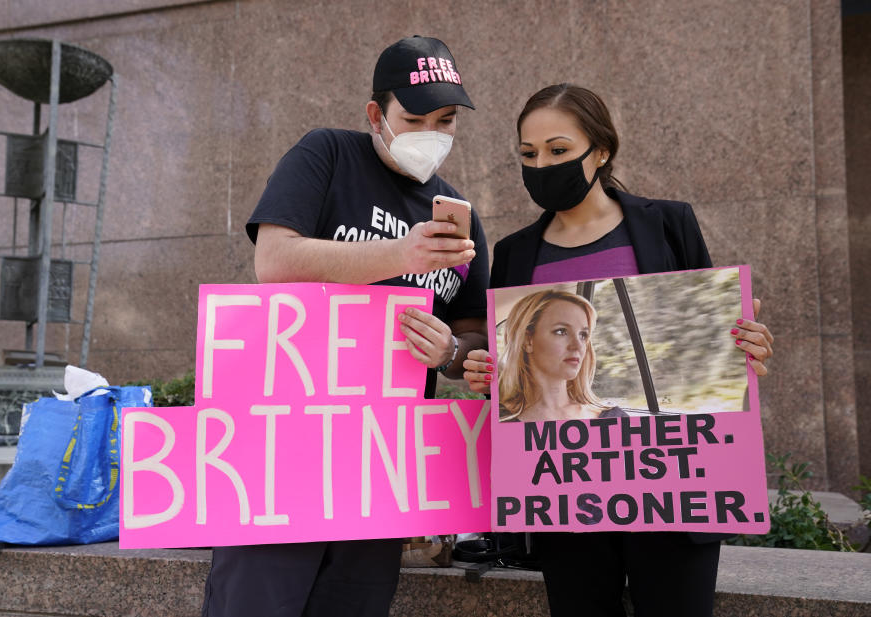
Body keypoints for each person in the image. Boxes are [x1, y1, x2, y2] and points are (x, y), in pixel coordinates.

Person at [200, 36, 489, 617]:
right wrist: (400, 256)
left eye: (447, 119)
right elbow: (274, 261)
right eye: (414, 118)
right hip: (283, 459)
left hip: (377, 474)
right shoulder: (326, 155)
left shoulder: (460, 219)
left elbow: (473, 338)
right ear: (376, 115)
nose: (431, 132)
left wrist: (452, 351)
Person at [463, 84, 774, 617]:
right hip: (566, 496)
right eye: (528, 154)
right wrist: (490, 373)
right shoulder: (514, 255)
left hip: (673, 488)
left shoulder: (667, 225)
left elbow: (708, 349)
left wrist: (745, 346)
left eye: (559, 151)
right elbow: (515, 373)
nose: (542, 165)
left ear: (601, 151)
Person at [498, 289, 624, 422]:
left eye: (583, 335)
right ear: (527, 340)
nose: (578, 346)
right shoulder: (496, 419)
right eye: (561, 331)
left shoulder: (615, 418)